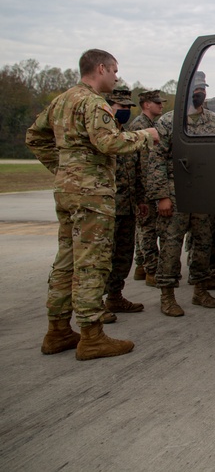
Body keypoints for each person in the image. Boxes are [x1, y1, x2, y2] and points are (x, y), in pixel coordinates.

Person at [25, 49, 159, 361]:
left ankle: (57, 330)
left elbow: (35, 136)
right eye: (113, 71)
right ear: (100, 69)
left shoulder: (62, 100)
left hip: (68, 192)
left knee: (67, 260)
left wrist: (65, 169)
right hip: (92, 195)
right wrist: (146, 136)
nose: (116, 77)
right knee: (92, 261)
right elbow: (108, 142)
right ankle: (91, 336)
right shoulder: (93, 101)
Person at [146, 71, 215, 316]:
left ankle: (200, 289)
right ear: (184, 90)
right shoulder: (167, 122)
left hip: (204, 193)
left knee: (204, 242)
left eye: (202, 87)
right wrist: (161, 196)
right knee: (171, 245)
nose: (199, 92)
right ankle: (167, 296)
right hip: (174, 192)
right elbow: (156, 159)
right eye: (195, 87)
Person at [103, 85, 147, 317]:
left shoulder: (126, 135)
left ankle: (114, 297)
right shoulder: (103, 134)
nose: (125, 111)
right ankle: (95, 305)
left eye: (128, 107)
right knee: (103, 257)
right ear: (109, 107)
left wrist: (140, 200)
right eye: (121, 107)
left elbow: (136, 170)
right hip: (107, 208)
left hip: (127, 206)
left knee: (123, 254)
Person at [127, 89, 165, 285]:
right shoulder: (140, 127)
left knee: (143, 229)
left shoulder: (152, 125)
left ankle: (141, 265)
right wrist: (142, 195)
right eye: (157, 103)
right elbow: (140, 164)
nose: (161, 105)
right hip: (146, 187)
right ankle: (151, 270)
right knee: (148, 229)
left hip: (150, 186)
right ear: (146, 105)